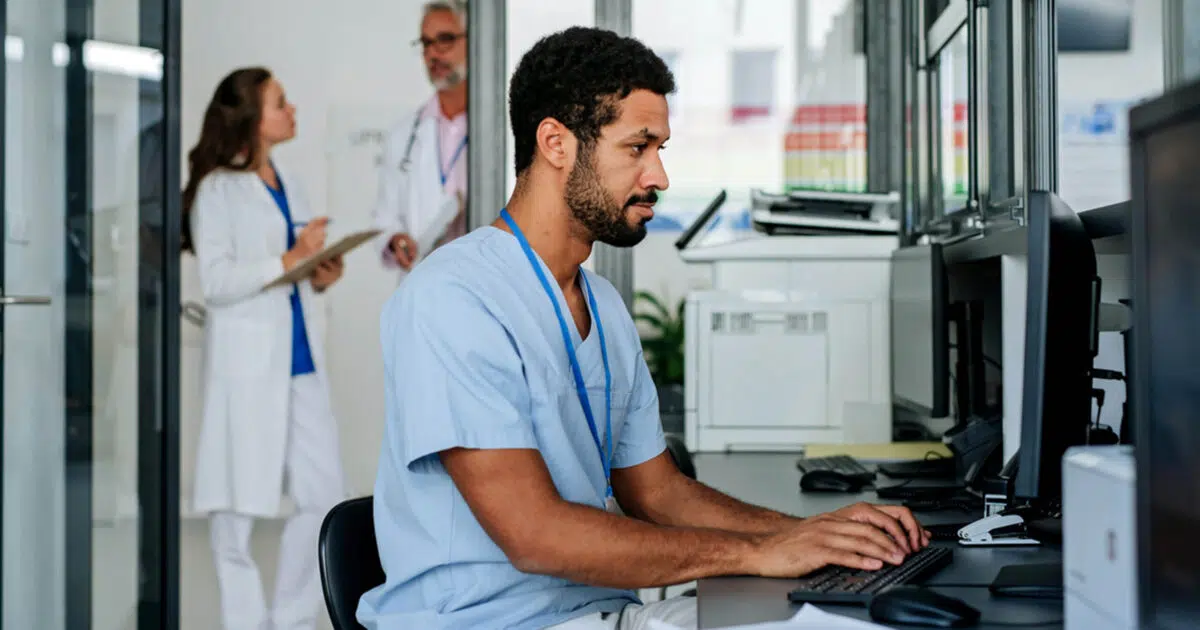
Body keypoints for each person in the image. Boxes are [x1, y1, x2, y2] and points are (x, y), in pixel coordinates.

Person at [357, 27, 931, 630]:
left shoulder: (601, 305)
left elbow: (658, 494)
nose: (658, 175)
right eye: (638, 147)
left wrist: (812, 535)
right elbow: (535, 536)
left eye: (660, 149)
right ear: (555, 143)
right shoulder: (453, 298)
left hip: (598, 614)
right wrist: (760, 553)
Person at [183, 67, 347, 630]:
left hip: (300, 361)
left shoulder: (289, 181)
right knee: (235, 509)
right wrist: (288, 258)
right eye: (281, 102)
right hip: (246, 366)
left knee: (322, 495)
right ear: (253, 117)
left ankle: (292, 617)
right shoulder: (216, 190)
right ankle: (244, 622)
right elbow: (217, 281)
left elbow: (291, 269)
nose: (292, 109)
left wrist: (318, 272)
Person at [370, 0, 470, 274]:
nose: (433, 54)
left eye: (445, 40)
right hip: (425, 282)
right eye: (426, 44)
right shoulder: (403, 135)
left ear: (474, 42)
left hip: (484, 280)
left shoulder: (498, 130)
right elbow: (384, 218)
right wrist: (394, 240)